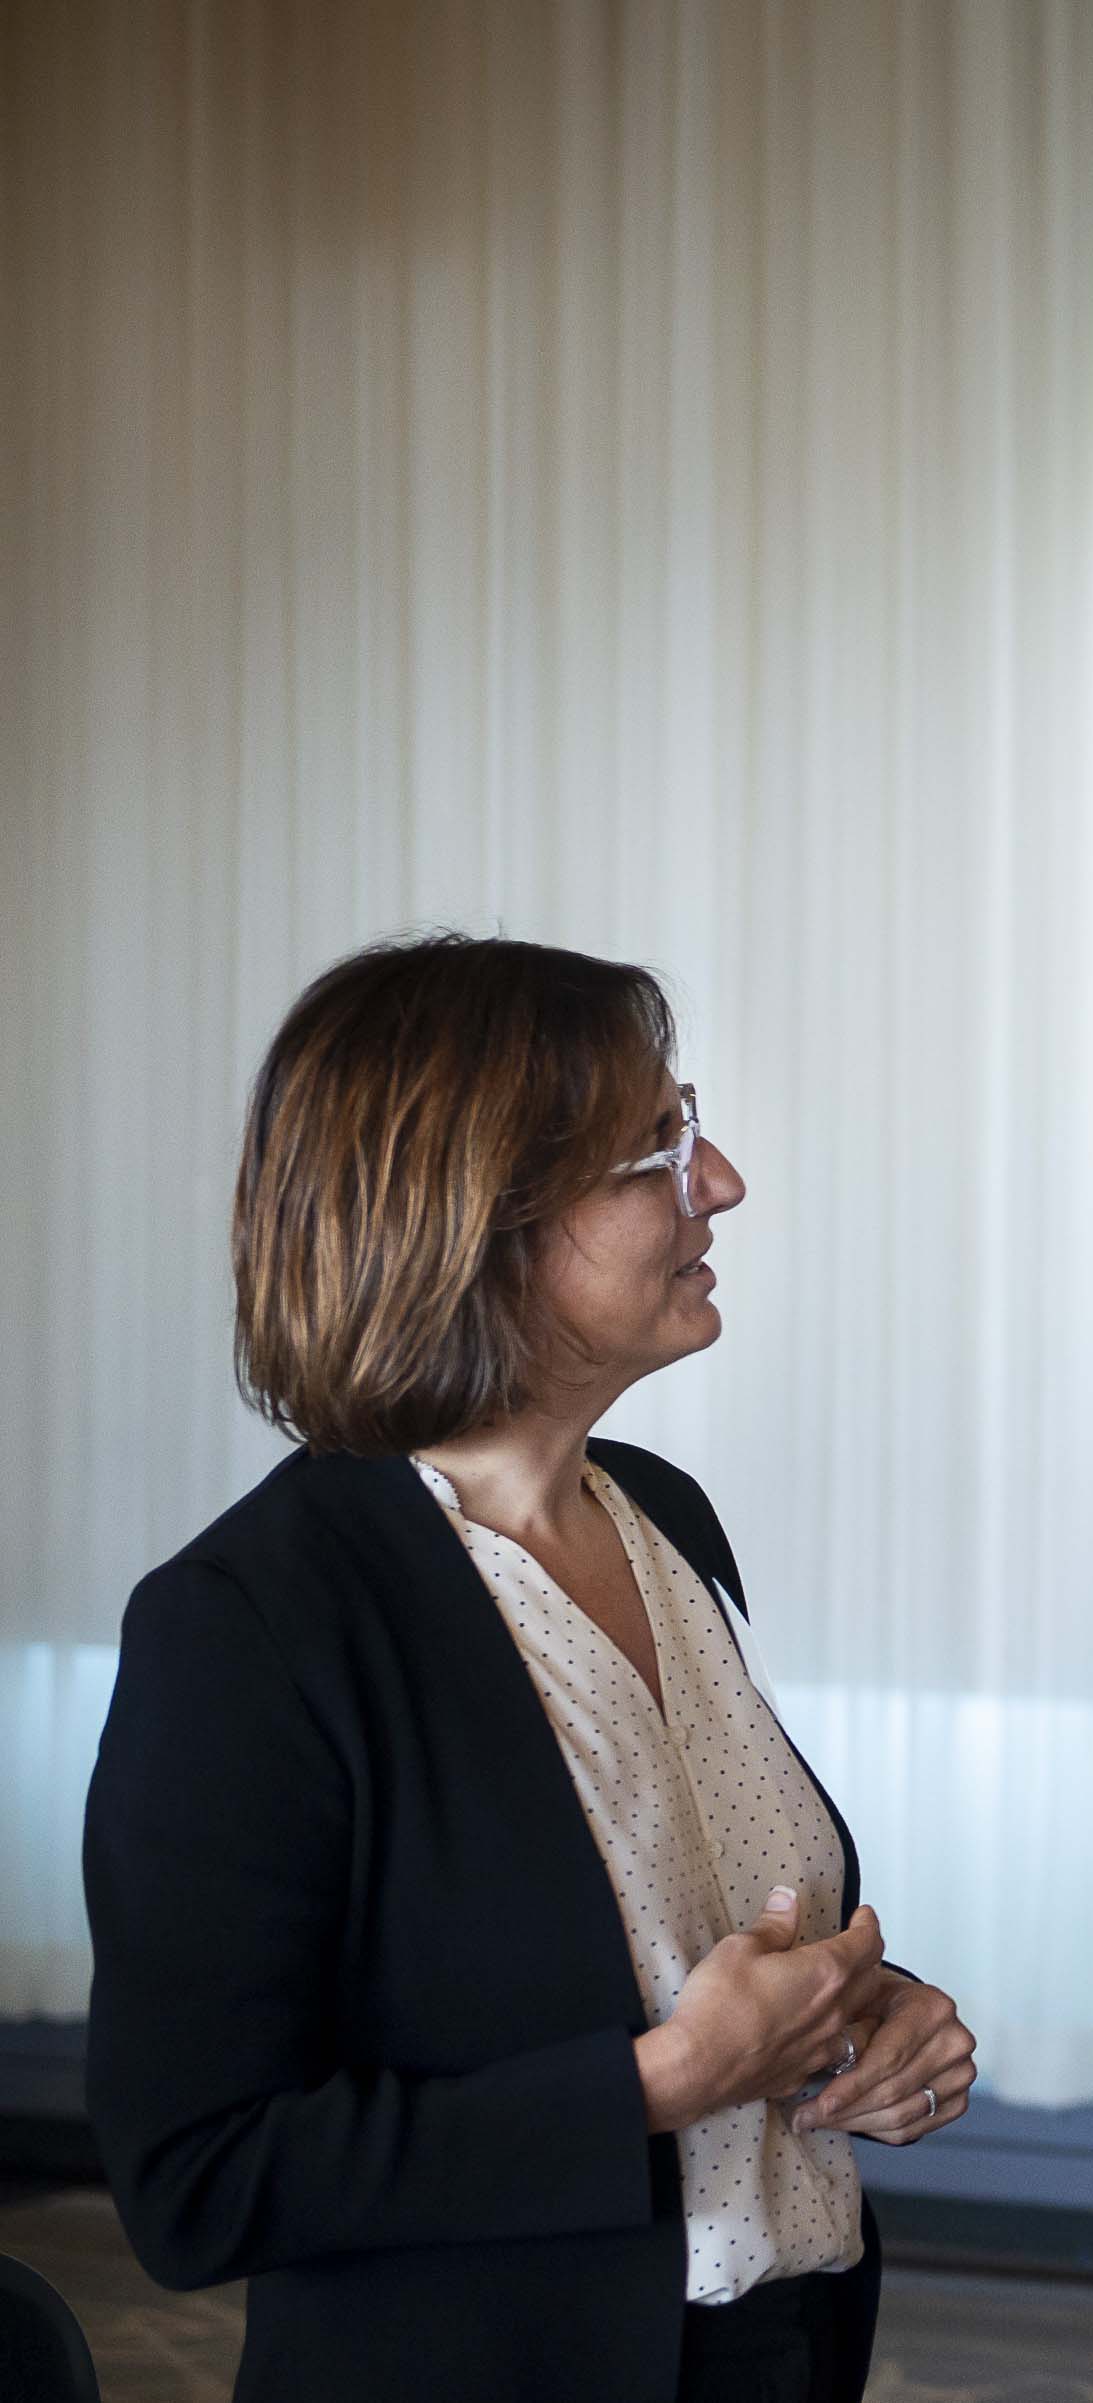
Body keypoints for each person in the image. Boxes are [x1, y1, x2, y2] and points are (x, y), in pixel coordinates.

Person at [82, 934, 979, 2403]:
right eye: (657, 1152)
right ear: (474, 1227)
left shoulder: (664, 1518)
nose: (721, 1181)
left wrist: (869, 2019)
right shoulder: (247, 1626)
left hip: (775, 2353)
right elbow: (200, 2179)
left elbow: (661, 1937)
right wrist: (666, 2084)